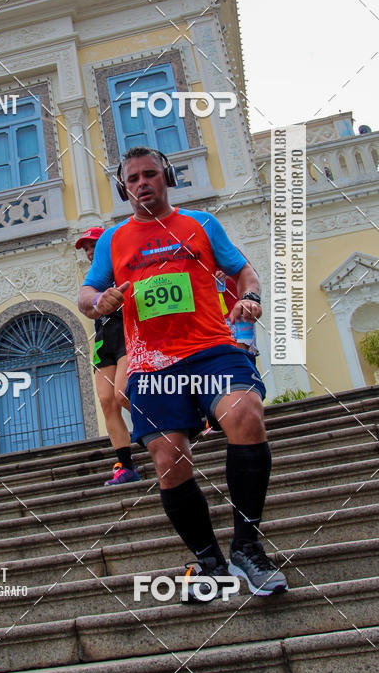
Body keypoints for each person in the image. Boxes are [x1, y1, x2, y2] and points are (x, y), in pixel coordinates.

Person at [78, 146, 288, 599]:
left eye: (150, 174)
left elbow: (243, 271)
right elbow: (86, 295)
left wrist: (250, 298)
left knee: (245, 413)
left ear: (167, 176)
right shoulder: (113, 240)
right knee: (168, 460)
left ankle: (247, 548)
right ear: (123, 188)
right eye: (132, 179)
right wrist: (99, 302)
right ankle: (210, 562)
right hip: (152, 364)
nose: (142, 184)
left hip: (212, 349)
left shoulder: (201, 224)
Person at [76, 227, 140, 486]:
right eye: (86, 248)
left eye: (93, 245)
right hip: (103, 338)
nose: (90, 252)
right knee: (106, 401)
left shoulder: (124, 265)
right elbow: (88, 309)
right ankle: (126, 466)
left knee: (122, 393)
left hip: (126, 332)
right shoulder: (92, 279)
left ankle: (164, 423)